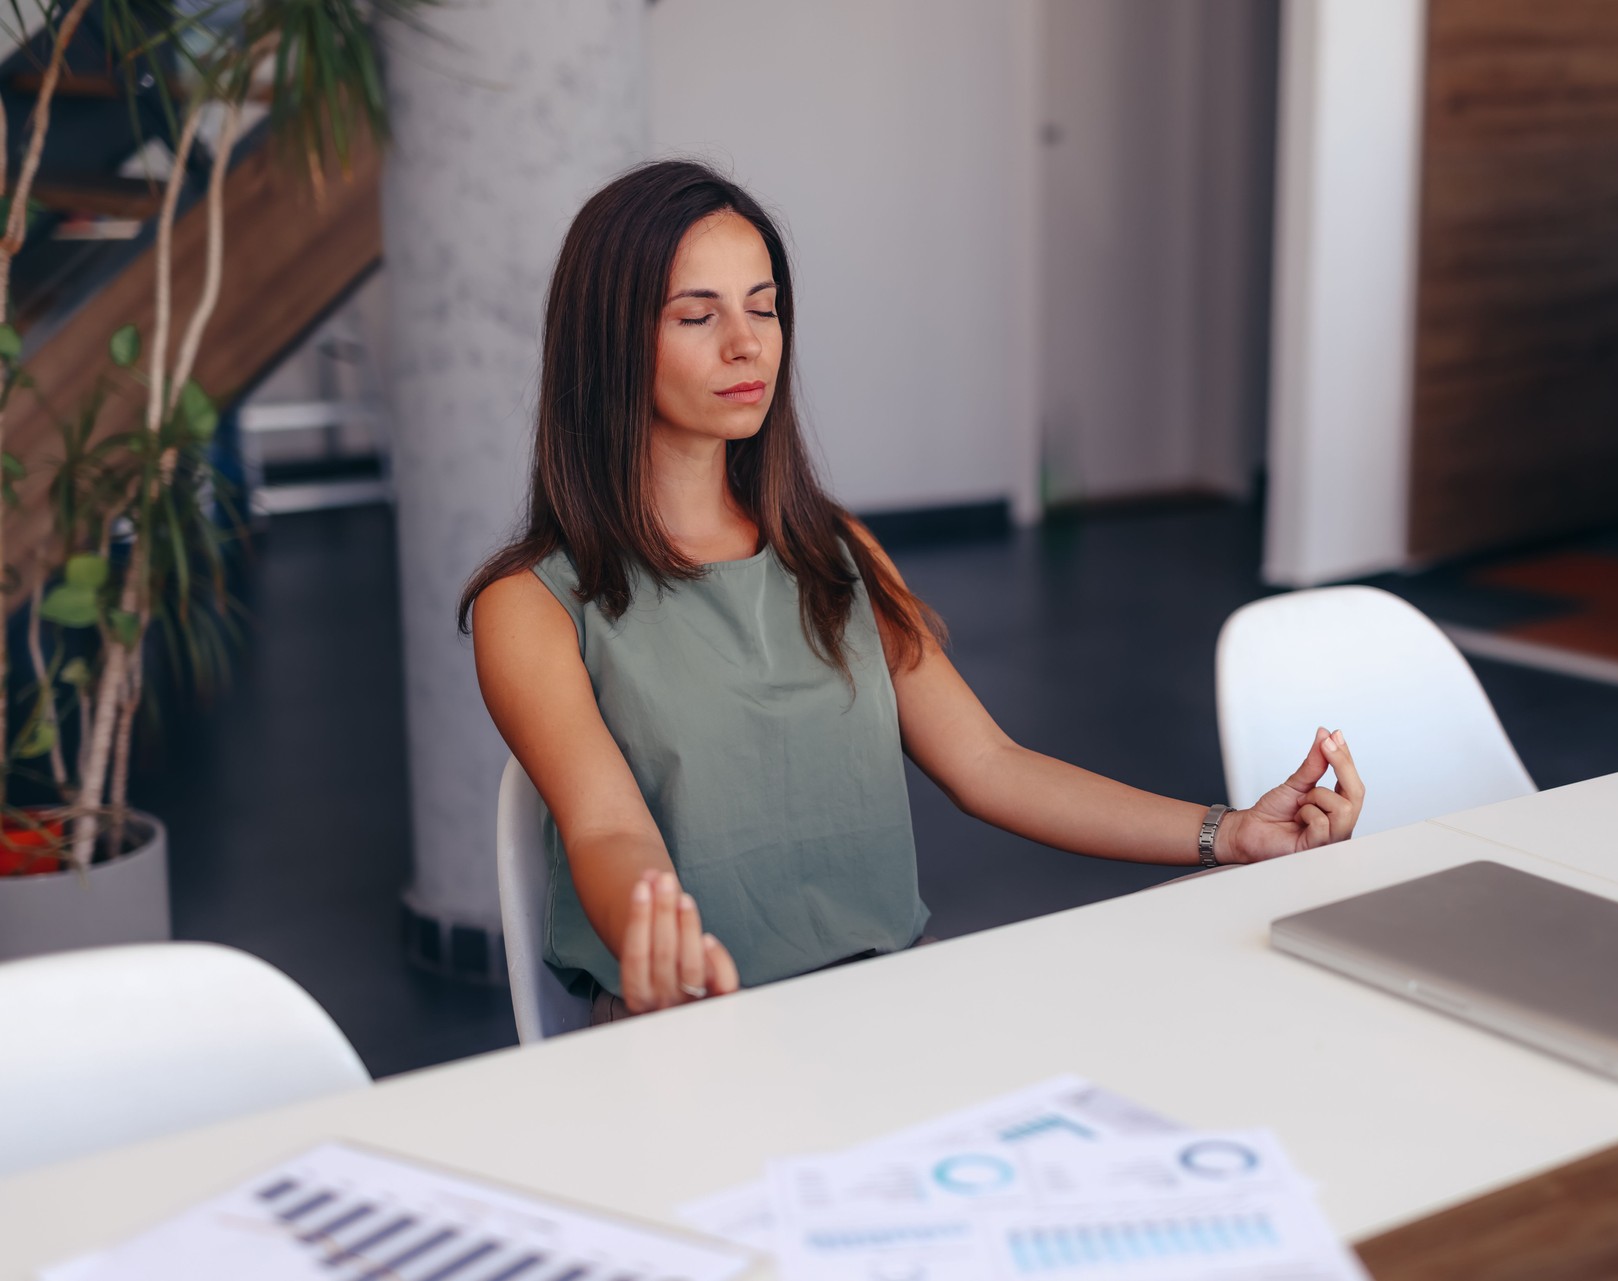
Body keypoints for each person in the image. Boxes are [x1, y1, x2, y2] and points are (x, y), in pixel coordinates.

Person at [462, 161, 1365, 1023]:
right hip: (694, 1024)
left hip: (891, 1004)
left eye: (764, 308)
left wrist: (1231, 834)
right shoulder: (534, 602)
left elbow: (989, 765)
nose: (747, 344)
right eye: (697, 316)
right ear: (610, 341)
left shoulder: (835, 548)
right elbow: (608, 830)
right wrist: (658, 941)